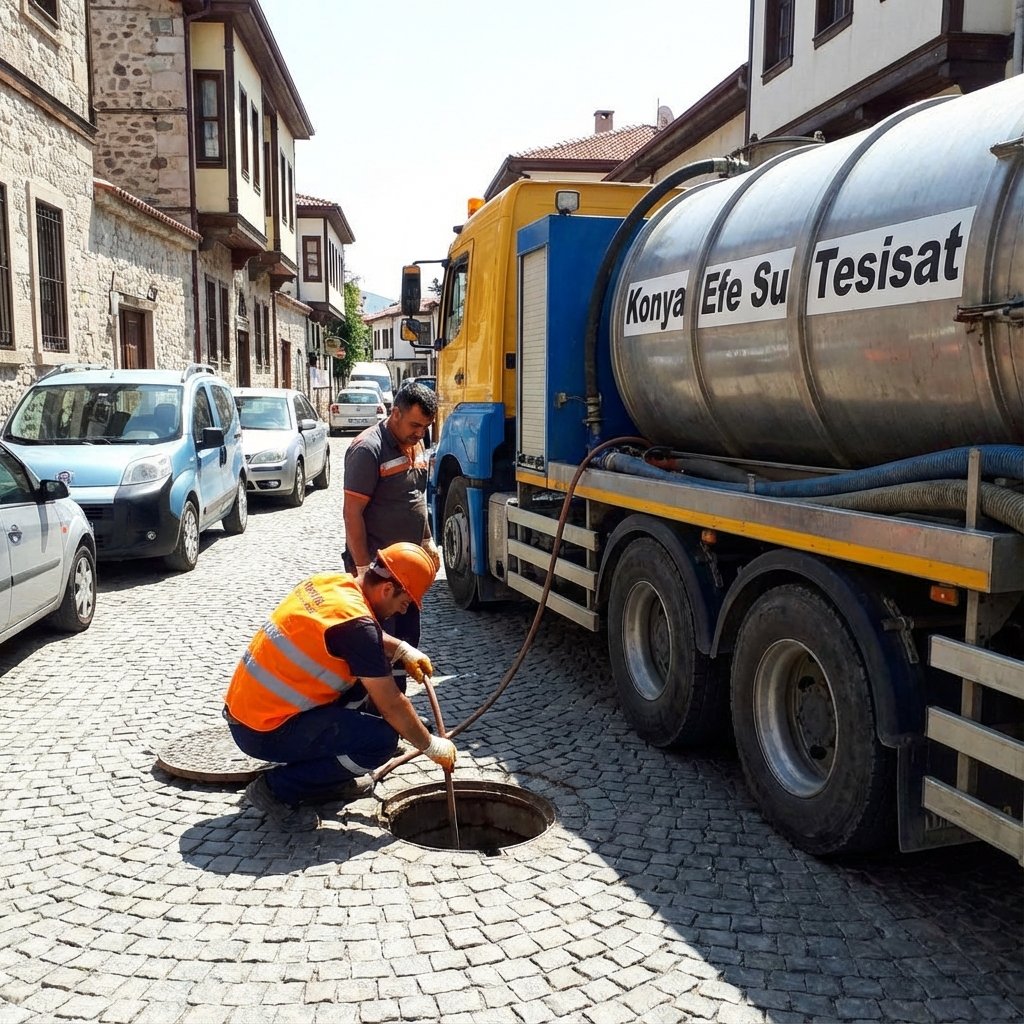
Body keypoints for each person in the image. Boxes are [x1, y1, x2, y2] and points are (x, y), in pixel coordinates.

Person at [223, 542, 457, 832]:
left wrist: (400, 649)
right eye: (403, 603)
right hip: (264, 732)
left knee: (361, 689)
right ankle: (277, 790)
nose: (400, 611)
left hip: (249, 714)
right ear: (386, 589)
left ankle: (327, 777)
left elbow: (346, 633)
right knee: (381, 741)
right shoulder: (358, 628)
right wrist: (431, 746)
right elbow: (392, 704)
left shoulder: (333, 584)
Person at [343, 381, 439, 663]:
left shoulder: (417, 444)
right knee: (377, 644)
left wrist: (427, 540)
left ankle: (398, 696)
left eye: (425, 427)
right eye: (414, 425)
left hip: (408, 570)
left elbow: (416, 499)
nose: (419, 433)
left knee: (407, 642)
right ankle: (375, 704)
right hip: (378, 571)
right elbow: (352, 513)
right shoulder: (367, 449)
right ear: (395, 413)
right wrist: (362, 570)